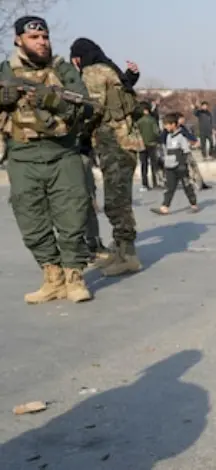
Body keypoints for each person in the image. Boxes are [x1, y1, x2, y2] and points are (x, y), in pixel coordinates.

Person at [0, 16, 94, 303]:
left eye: (45, 37)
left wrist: (49, 99)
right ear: (19, 40)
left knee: (72, 214)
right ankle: (52, 277)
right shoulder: (6, 69)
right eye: (34, 38)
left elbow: (85, 107)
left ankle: (74, 276)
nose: (42, 42)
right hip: (22, 154)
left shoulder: (62, 69)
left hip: (62, 152)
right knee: (30, 217)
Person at [70, 37, 144, 277]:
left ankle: (128, 255)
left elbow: (92, 108)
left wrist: (76, 132)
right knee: (118, 197)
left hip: (114, 142)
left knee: (116, 201)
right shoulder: (110, 70)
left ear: (77, 58)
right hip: (125, 142)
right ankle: (120, 250)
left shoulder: (92, 72)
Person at [151, 113, 199, 215]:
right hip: (169, 165)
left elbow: (186, 151)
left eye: (167, 125)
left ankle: (193, 204)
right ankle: (164, 207)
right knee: (170, 187)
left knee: (187, 185)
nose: (165, 127)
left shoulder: (181, 136)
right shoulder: (168, 136)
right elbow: (165, 148)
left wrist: (186, 164)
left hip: (180, 165)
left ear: (173, 124)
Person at [137, 101, 160, 191]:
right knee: (154, 165)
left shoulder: (139, 121)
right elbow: (156, 132)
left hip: (142, 145)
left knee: (144, 165)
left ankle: (145, 184)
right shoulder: (152, 120)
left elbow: (137, 132)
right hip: (152, 144)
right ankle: (155, 182)